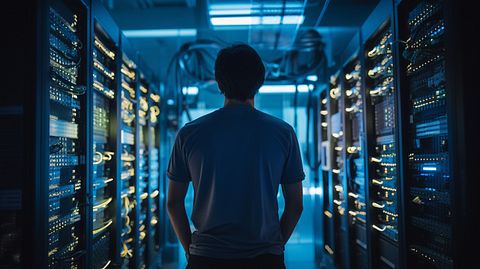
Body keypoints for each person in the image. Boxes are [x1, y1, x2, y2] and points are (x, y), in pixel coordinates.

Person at [167, 44, 305, 269]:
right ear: (260, 81)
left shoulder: (189, 134)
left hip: (206, 257)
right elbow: (295, 205)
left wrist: (191, 251)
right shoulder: (283, 133)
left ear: (219, 82)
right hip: (265, 258)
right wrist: (274, 246)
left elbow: (174, 202)